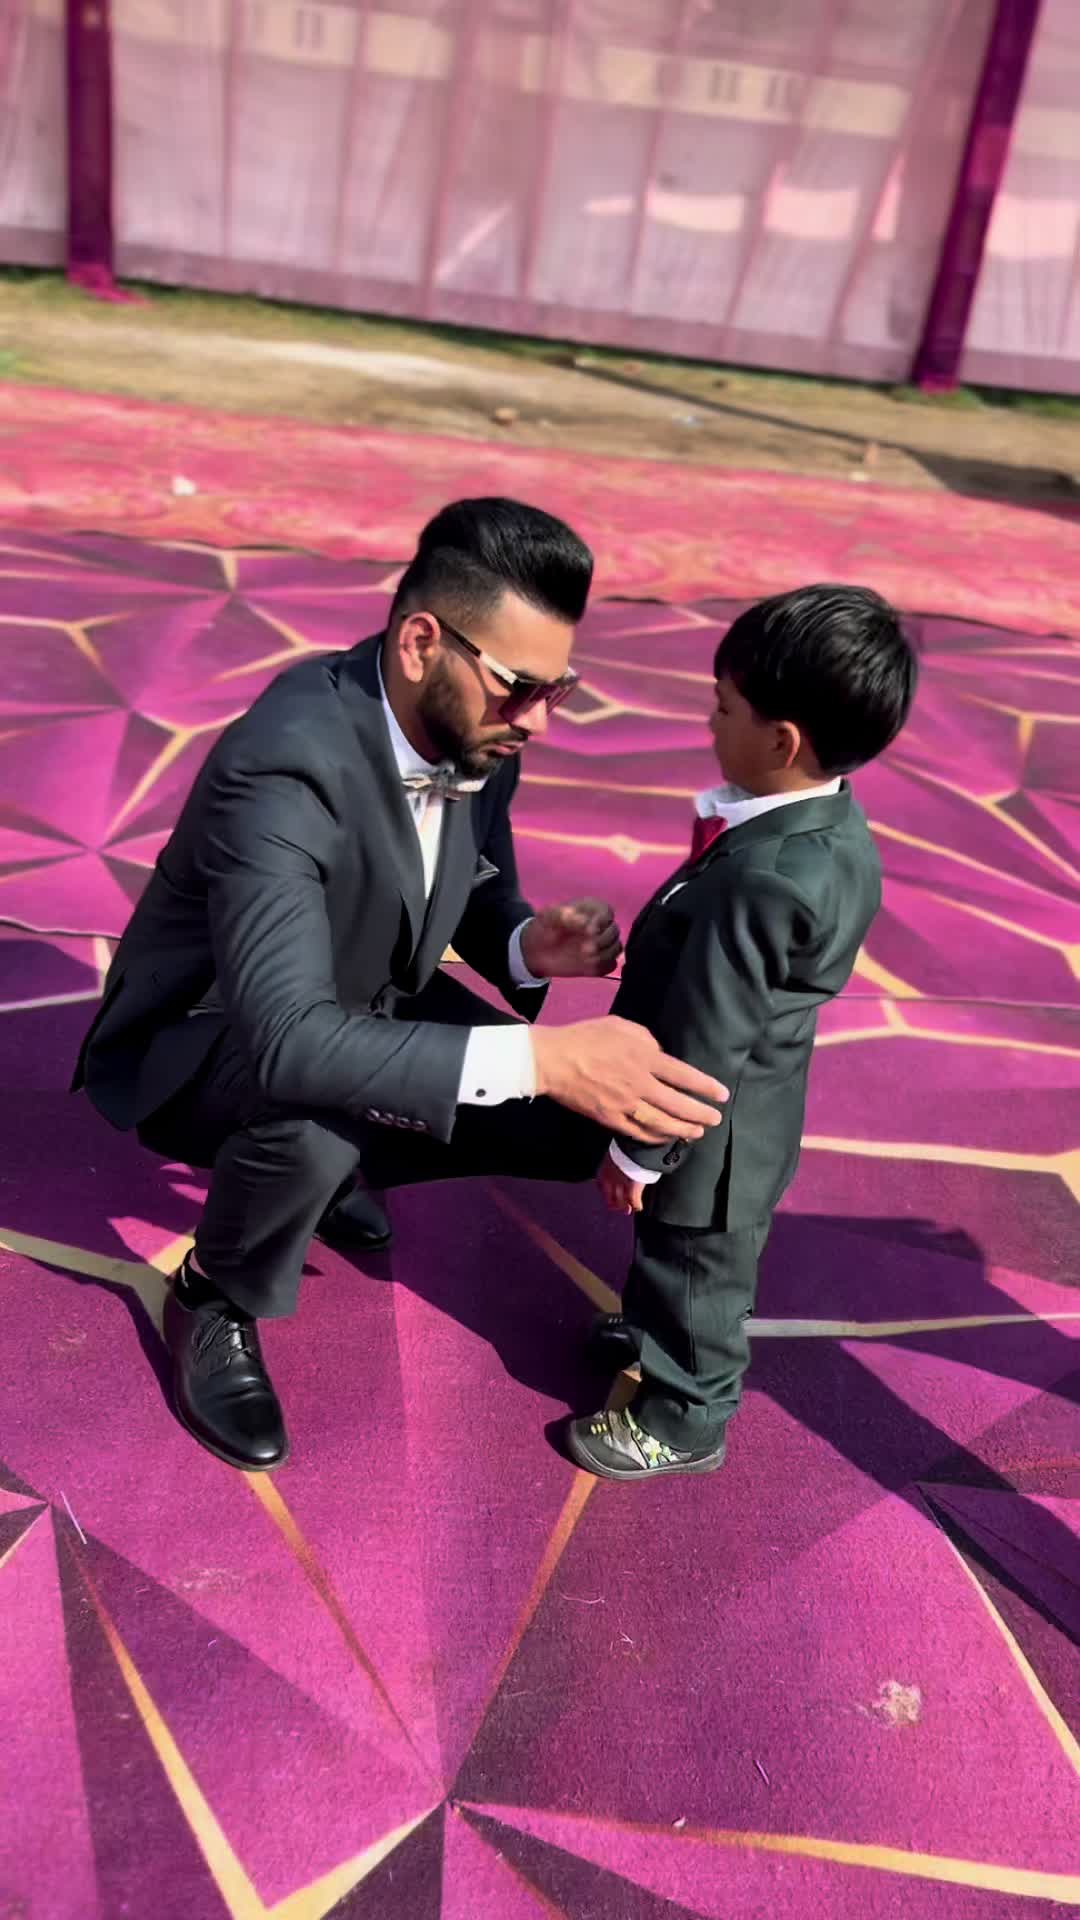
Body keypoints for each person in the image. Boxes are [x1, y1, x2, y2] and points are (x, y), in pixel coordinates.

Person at [71, 497, 726, 1472]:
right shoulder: (283, 767)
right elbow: (289, 1041)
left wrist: (523, 944)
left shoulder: (476, 728)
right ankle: (214, 1290)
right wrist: (543, 1055)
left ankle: (338, 1171)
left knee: (589, 1117)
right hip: (208, 1038)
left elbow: (472, 877)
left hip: (360, 995)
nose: (539, 719)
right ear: (422, 642)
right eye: (519, 688)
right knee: (319, 1118)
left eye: (559, 687)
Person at [362, 582, 917, 1482]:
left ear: (782, 743)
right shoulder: (826, 828)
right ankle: (659, 1328)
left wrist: (639, 1152)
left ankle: (685, 1413)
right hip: (734, 1108)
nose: (709, 721)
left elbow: (707, 1038)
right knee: (678, 1261)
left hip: (705, 1127)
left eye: (723, 708)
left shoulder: (767, 881)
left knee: (695, 1267)